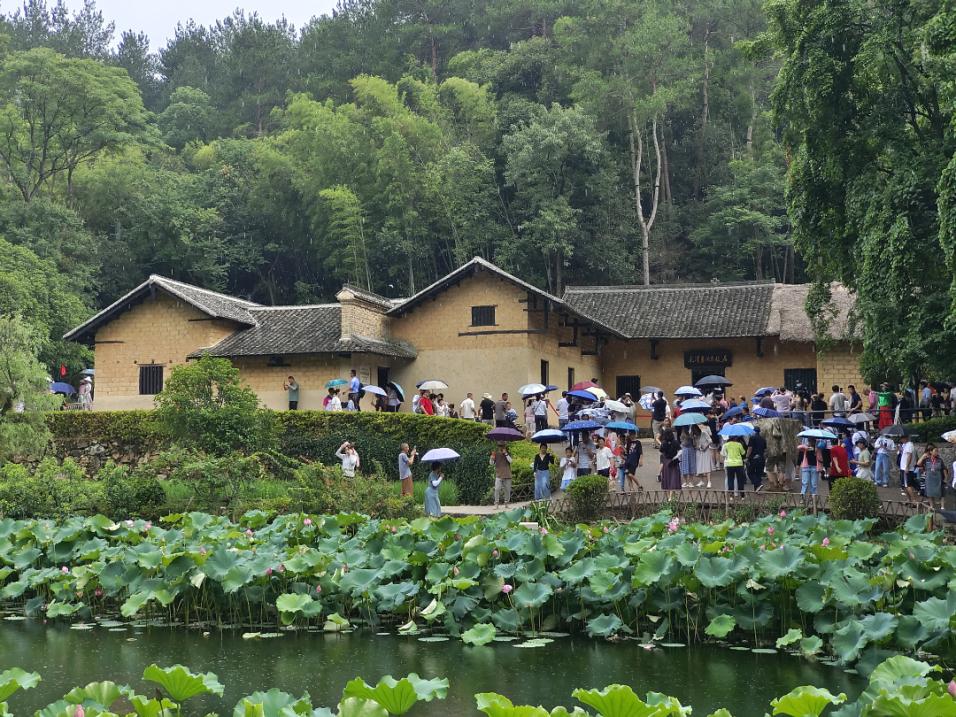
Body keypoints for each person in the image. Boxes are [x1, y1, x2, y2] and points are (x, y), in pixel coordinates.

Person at [916, 444, 946, 509]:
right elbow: (918, 464)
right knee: (929, 492)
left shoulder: (940, 460)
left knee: (940, 492)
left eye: (937, 451)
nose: (937, 452)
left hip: (938, 478)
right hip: (929, 479)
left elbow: (944, 469)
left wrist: (945, 478)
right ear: (931, 452)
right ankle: (932, 506)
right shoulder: (926, 460)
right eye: (935, 451)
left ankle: (942, 506)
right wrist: (923, 456)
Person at [659, 428, 681, 496]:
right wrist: (676, 457)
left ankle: (669, 496)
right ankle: (671, 496)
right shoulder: (675, 442)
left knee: (667, 478)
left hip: (666, 462)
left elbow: (661, 452)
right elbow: (680, 451)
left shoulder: (663, 443)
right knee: (673, 478)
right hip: (674, 462)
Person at [490, 442, 512, 507]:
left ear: (504, 446)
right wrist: (491, 458)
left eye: (502, 446)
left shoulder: (508, 453)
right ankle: (496, 503)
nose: (501, 447)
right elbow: (491, 464)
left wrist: (506, 454)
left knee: (507, 490)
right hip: (499, 475)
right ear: (498, 447)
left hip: (507, 474)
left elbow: (511, 461)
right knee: (497, 489)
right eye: (500, 446)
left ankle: (506, 503)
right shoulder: (495, 454)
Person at [746, 426, 766, 492]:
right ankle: (757, 489)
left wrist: (747, 457)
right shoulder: (763, 439)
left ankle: (758, 484)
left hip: (753, 458)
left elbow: (750, 448)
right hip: (761, 458)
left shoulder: (752, 438)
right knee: (758, 474)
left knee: (750, 472)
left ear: (754, 431)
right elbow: (765, 449)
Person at [694, 424, 714, 488]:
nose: (694, 431)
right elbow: (695, 444)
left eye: (695, 430)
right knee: (699, 466)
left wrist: (705, 446)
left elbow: (710, 441)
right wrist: (696, 446)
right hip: (698, 452)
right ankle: (701, 481)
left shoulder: (704, 433)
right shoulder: (695, 436)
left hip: (705, 451)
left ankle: (709, 481)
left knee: (707, 466)